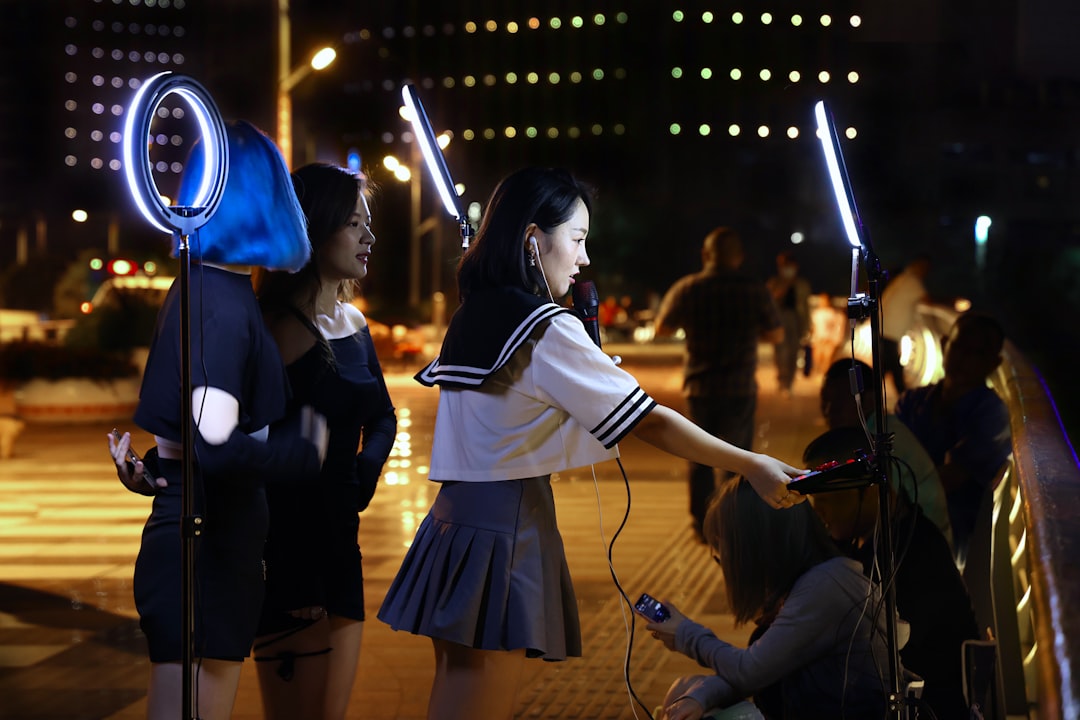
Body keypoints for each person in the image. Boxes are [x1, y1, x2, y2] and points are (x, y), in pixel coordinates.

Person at [375, 167, 804, 720]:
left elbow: (508, 423)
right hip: (507, 525)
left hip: (454, 523)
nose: (582, 259)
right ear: (534, 239)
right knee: (481, 702)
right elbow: (649, 421)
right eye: (576, 240)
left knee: (455, 691)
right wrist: (751, 464)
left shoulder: (475, 311)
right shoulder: (546, 326)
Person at [106, 121, 326, 720]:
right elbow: (218, 444)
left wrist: (155, 470)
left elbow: (193, 432)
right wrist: (302, 451)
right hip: (210, 543)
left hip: (192, 530)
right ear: (264, 198)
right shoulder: (225, 308)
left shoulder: (199, 289)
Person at [252, 163, 397, 720]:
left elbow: (383, 416)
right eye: (354, 224)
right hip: (290, 553)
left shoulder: (354, 323)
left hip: (342, 546)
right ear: (314, 228)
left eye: (368, 224)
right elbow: (242, 442)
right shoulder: (274, 328)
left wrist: (367, 469)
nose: (369, 237)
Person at [645, 477, 895, 720]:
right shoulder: (810, 583)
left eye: (723, 547)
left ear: (755, 545)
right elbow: (761, 669)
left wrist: (685, 633)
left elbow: (749, 672)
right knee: (684, 690)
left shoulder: (825, 586)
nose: (721, 560)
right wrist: (698, 697)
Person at [803, 427, 979, 720]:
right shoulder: (863, 536)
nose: (817, 508)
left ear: (868, 488)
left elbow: (886, 653)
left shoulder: (914, 551)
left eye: (826, 494)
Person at [653, 227, 783, 539]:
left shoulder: (688, 288)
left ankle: (701, 525)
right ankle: (731, 525)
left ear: (705, 254)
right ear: (738, 257)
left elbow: (662, 327)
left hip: (700, 387)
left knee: (699, 455)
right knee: (738, 459)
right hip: (739, 388)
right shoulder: (754, 290)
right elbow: (776, 333)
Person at [894, 312, 1011, 564]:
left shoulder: (993, 414)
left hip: (954, 543)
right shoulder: (912, 401)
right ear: (945, 344)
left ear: (994, 362)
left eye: (977, 353)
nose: (963, 359)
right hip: (903, 528)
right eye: (958, 346)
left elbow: (949, 478)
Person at [819, 358, 952, 546]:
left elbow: (864, 515)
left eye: (840, 401)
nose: (829, 411)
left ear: (870, 400)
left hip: (918, 552)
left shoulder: (880, 443)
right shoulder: (880, 429)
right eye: (825, 402)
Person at [880, 255, 930, 393]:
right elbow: (927, 300)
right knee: (892, 367)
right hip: (890, 331)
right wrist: (953, 302)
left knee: (886, 366)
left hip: (883, 328)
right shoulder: (913, 282)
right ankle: (903, 398)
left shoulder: (901, 279)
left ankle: (871, 395)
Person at [765, 251, 812, 396]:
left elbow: (805, 306)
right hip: (779, 321)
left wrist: (808, 326)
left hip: (796, 321)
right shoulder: (774, 283)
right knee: (781, 353)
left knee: (793, 352)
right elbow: (768, 302)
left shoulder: (802, 284)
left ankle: (789, 382)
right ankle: (782, 380)